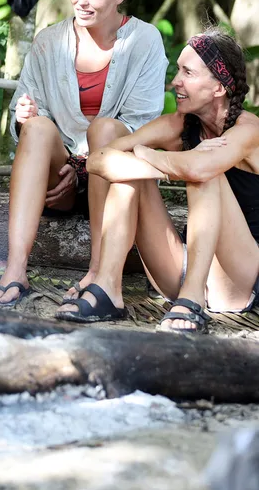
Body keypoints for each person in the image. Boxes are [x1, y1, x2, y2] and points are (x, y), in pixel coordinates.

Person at [0, 0, 167, 307]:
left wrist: (82, 165)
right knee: (37, 128)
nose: (81, 1)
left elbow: (139, 126)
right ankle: (15, 269)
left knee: (105, 128)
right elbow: (22, 121)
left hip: (116, 179)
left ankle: (99, 272)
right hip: (59, 183)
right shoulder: (49, 42)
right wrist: (23, 117)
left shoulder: (144, 40)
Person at [56, 29, 259, 332]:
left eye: (187, 72)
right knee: (132, 171)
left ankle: (192, 300)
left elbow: (200, 169)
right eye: (178, 69)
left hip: (238, 279)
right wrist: (153, 164)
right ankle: (108, 287)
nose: (175, 81)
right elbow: (97, 160)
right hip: (181, 265)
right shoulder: (179, 125)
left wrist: (149, 156)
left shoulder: (248, 130)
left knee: (204, 172)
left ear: (218, 87)